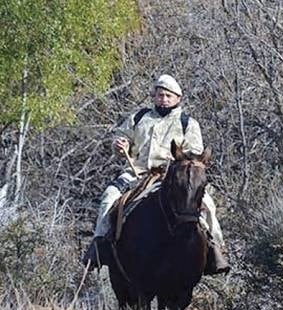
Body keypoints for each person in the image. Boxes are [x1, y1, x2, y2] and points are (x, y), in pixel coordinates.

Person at [83, 74, 229, 275]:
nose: (164, 99)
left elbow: (195, 154)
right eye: (160, 95)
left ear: (178, 98)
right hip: (137, 173)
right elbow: (121, 138)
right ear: (154, 96)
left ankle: (215, 249)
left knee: (208, 205)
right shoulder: (139, 117)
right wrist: (119, 144)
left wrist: (179, 162)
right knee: (109, 197)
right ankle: (99, 245)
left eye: (168, 96)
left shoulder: (188, 123)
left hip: (174, 177)